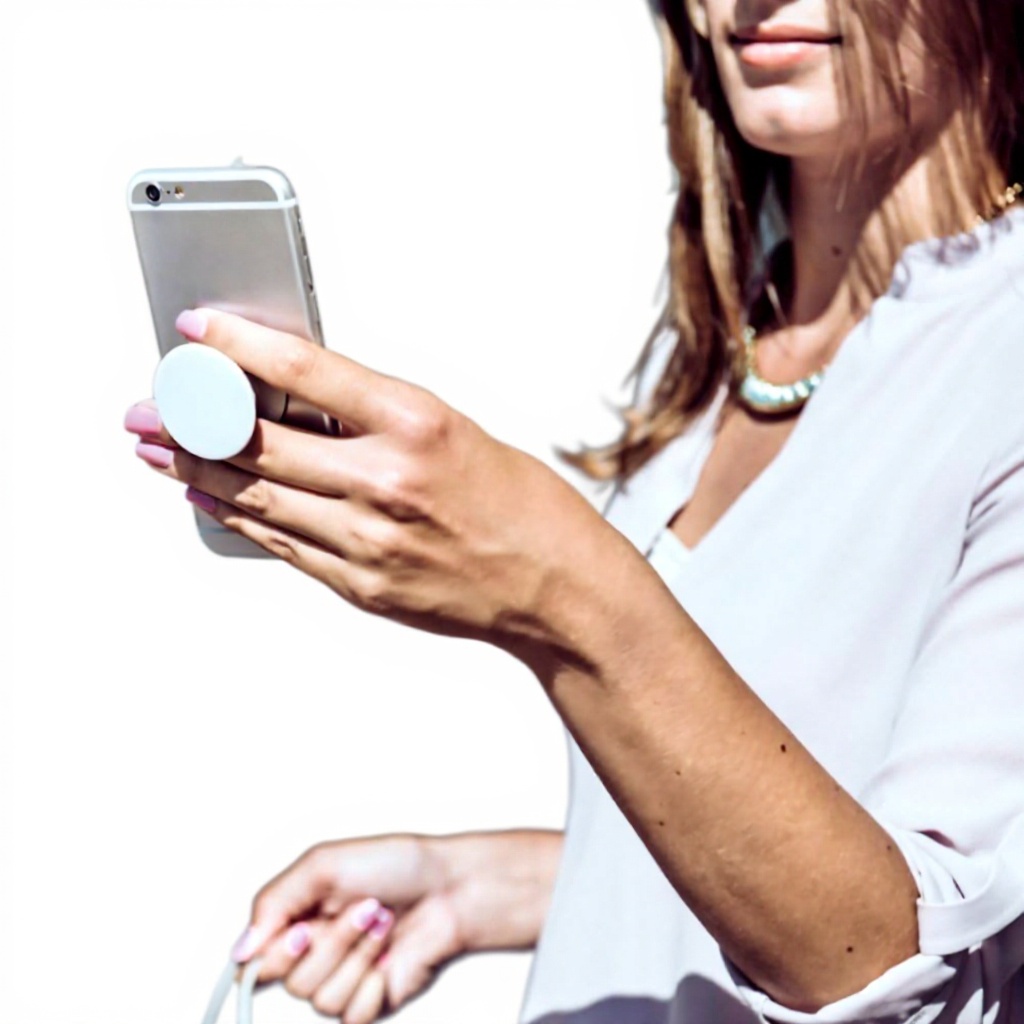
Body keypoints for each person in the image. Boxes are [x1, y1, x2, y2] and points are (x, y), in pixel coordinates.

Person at [124, 0, 1024, 1021]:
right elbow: (819, 796)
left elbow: (915, 966)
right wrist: (497, 884)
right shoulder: (739, 340)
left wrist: (564, 591)